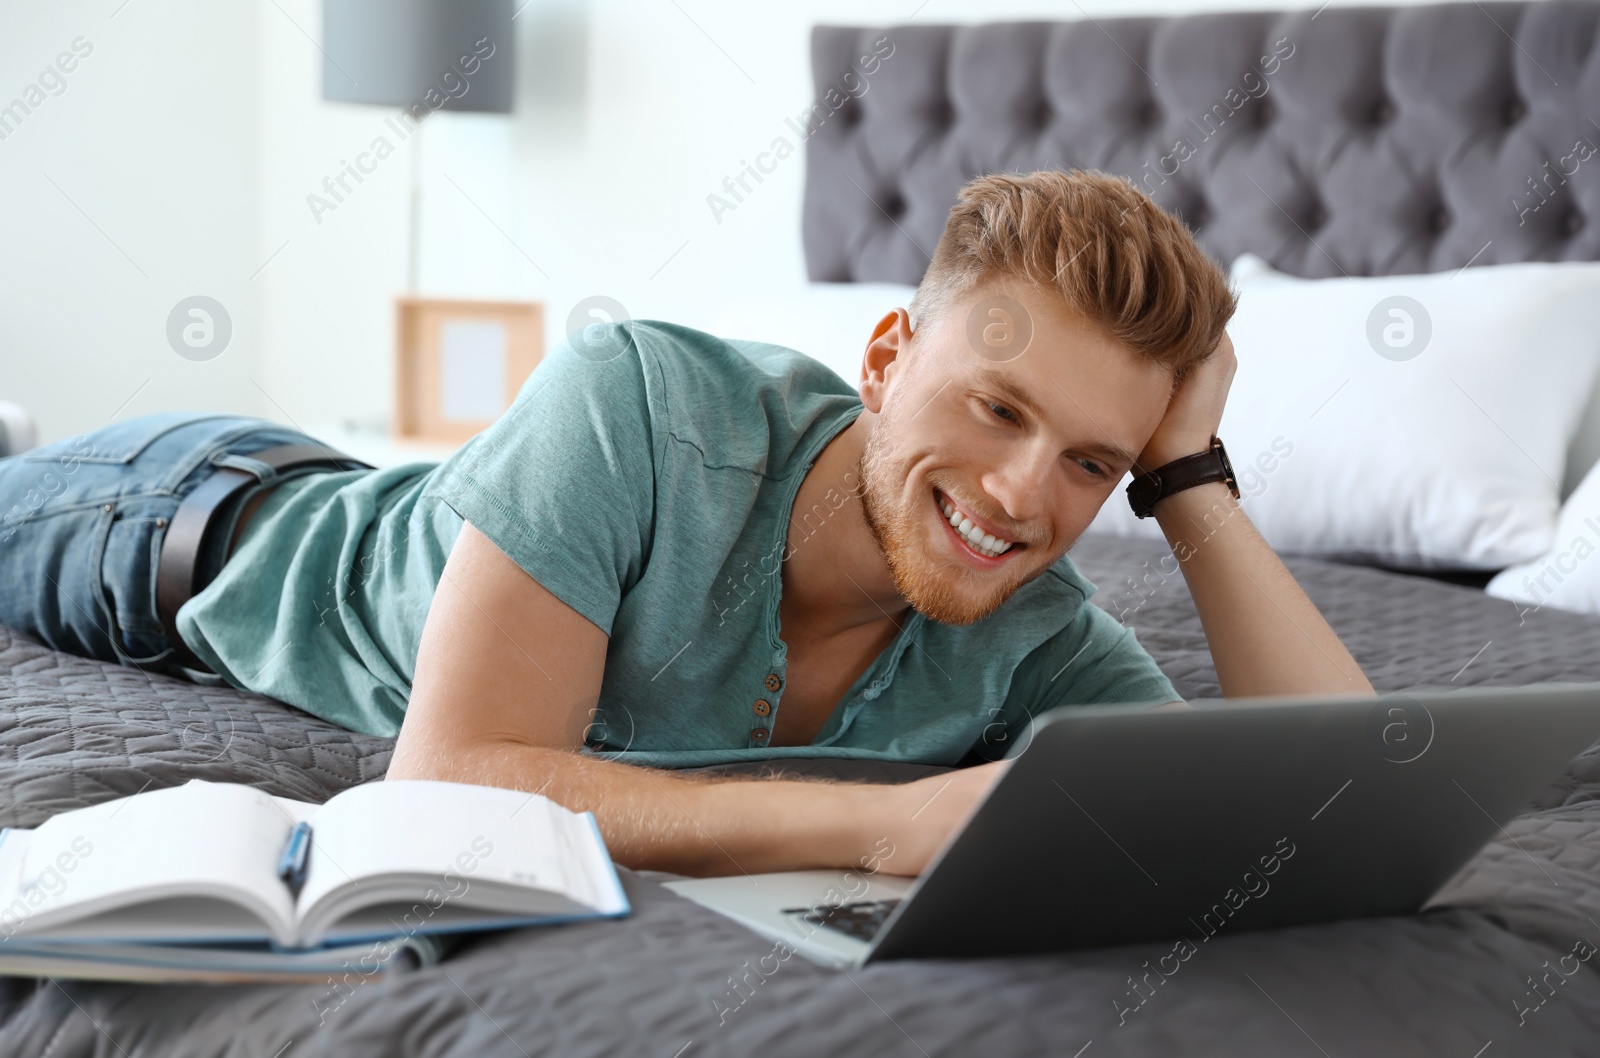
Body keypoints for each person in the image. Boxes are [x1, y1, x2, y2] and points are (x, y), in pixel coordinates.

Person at [0, 170, 1372, 879]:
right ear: (887, 357)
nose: (1022, 498)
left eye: (1090, 459)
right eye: (997, 408)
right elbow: (446, 781)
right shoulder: (642, 402)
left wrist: (1186, 479)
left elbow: (1338, 807)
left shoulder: (1036, 634)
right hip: (176, 523)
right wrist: (878, 828)